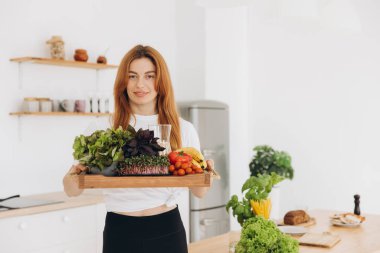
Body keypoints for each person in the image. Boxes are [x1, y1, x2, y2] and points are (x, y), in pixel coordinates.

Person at [63, 45, 214, 253]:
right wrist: (74, 176)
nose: (140, 84)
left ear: (161, 81)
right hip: (120, 231)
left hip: (167, 229)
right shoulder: (103, 127)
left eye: (149, 76)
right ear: (123, 82)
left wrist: (205, 172)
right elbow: (71, 190)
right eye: (132, 76)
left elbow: (200, 192)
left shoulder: (183, 129)